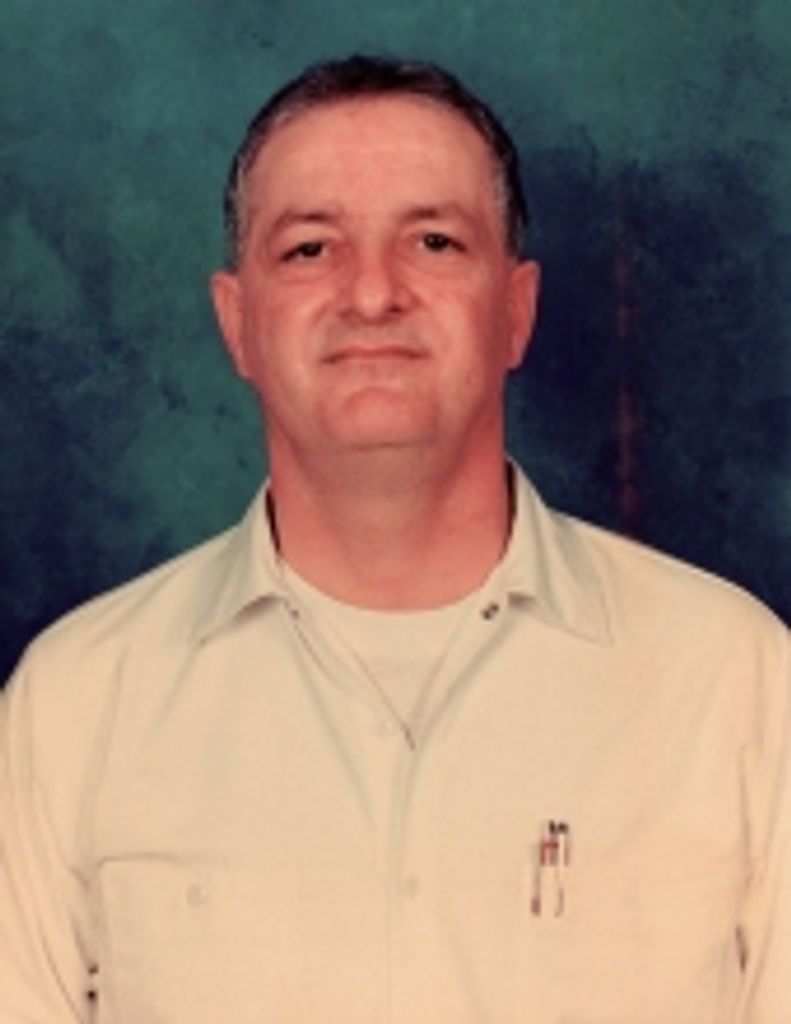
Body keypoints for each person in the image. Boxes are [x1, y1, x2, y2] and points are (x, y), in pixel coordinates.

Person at [0, 55, 788, 1024]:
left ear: (515, 310)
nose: (371, 294)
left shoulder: (736, 681)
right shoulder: (75, 706)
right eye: (308, 249)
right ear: (237, 323)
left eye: (433, 241)